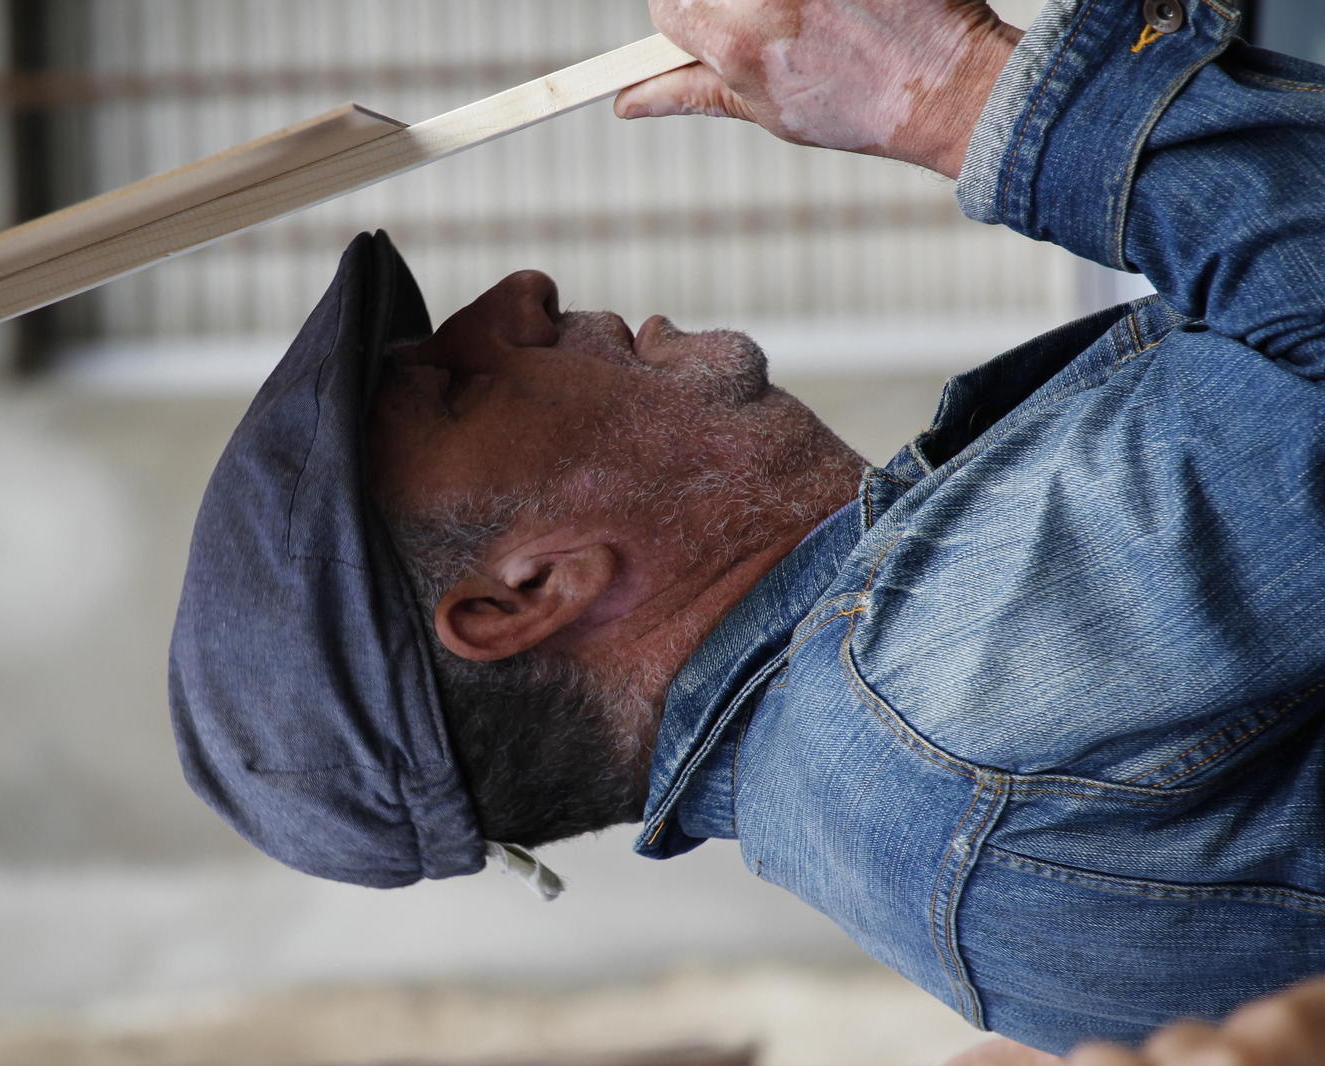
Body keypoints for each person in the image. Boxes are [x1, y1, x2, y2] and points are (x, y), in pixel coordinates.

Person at [166, 0, 1325, 1058]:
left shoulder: (886, 754)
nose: (517, 294)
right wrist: (948, 91)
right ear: (522, 594)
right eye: (450, 387)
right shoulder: (937, 691)